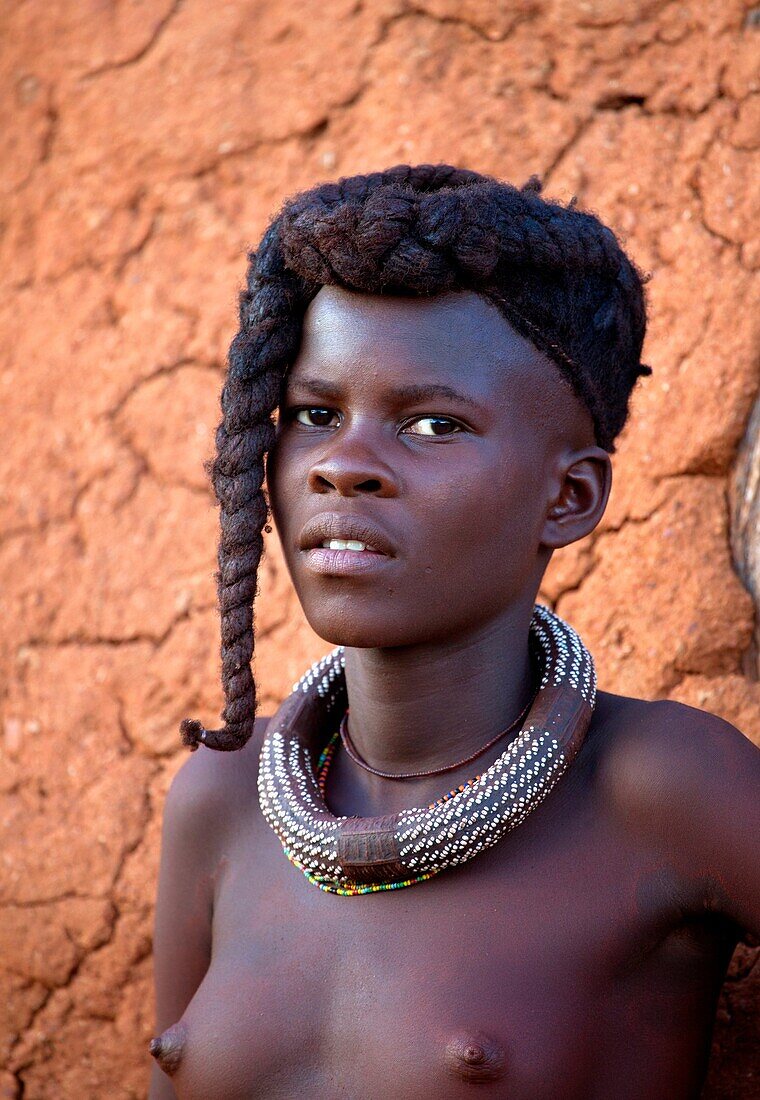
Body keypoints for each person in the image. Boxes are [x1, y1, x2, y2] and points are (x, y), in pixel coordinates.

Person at [148, 165, 760, 1099]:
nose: (344, 467)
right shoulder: (224, 797)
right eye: (316, 415)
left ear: (570, 496)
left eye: (432, 424)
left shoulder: (666, 789)